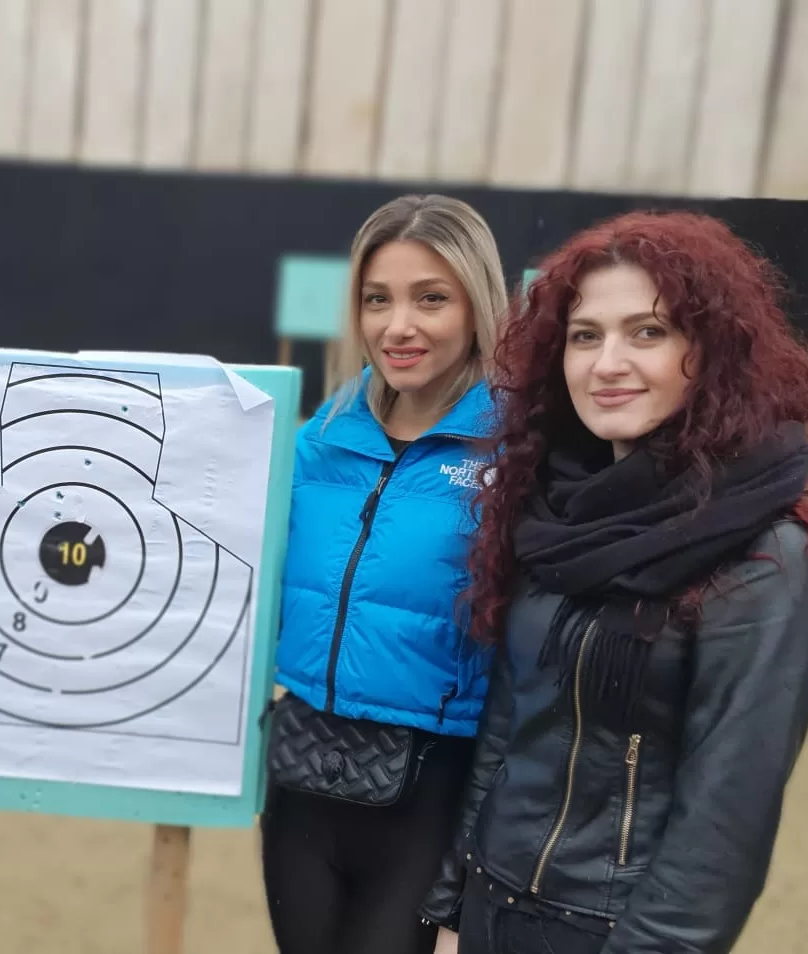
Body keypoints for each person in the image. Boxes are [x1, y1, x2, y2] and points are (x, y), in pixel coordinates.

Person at [418, 210, 808, 953]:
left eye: (648, 332)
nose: (608, 363)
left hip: (608, 934)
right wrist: (453, 908)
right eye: (585, 335)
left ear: (711, 350)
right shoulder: (553, 511)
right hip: (493, 909)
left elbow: (721, 827)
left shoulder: (770, 556)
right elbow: (505, 732)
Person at [259, 194, 508, 954]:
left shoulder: (519, 454)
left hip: (429, 789)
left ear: (477, 306)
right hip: (302, 774)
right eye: (377, 300)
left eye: (430, 299)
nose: (398, 326)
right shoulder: (320, 438)